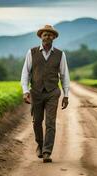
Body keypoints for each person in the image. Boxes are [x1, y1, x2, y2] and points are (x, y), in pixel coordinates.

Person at [20, 24, 70, 163]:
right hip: (36, 92)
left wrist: (66, 95)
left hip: (52, 92)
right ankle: (40, 146)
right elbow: (25, 74)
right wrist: (25, 91)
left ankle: (47, 152)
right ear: (41, 37)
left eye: (50, 35)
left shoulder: (60, 54)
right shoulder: (31, 53)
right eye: (45, 35)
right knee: (37, 122)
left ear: (54, 37)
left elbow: (64, 75)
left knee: (50, 122)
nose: (47, 37)